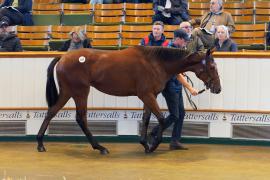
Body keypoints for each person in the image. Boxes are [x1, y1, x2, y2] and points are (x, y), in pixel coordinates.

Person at [142, 28, 198, 150]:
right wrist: (190, 88)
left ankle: (175, 141)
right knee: (174, 115)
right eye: (184, 41)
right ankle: (154, 132)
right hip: (170, 86)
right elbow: (177, 73)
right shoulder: (170, 51)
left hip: (176, 86)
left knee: (181, 113)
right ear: (178, 39)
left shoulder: (178, 49)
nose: (186, 43)